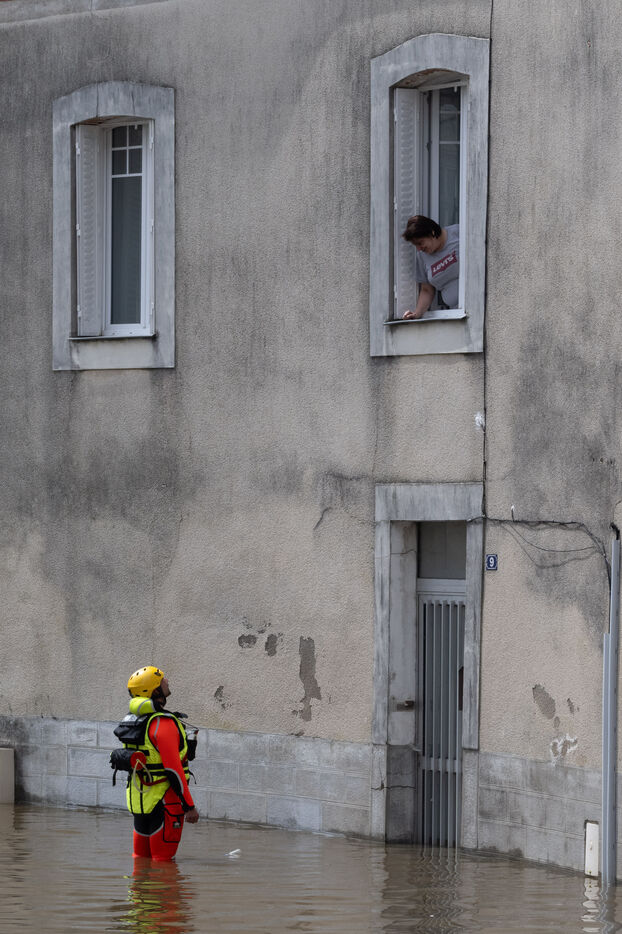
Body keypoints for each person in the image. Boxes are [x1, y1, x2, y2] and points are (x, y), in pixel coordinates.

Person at [119, 666, 200, 861]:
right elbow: (173, 769)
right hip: (165, 802)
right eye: (162, 680)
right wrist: (189, 806)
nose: (167, 681)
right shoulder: (163, 723)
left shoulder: (133, 721)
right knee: (163, 865)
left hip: (140, 802)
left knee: (140, 860)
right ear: (154, 690)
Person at [401, 215, 459, 319]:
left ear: (432, 232)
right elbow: (427, 290)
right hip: (456, 313)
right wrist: (417, 314)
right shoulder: (422, 257)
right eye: (415, 245)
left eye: (420, 243)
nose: (419, 249)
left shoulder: (458, 233)